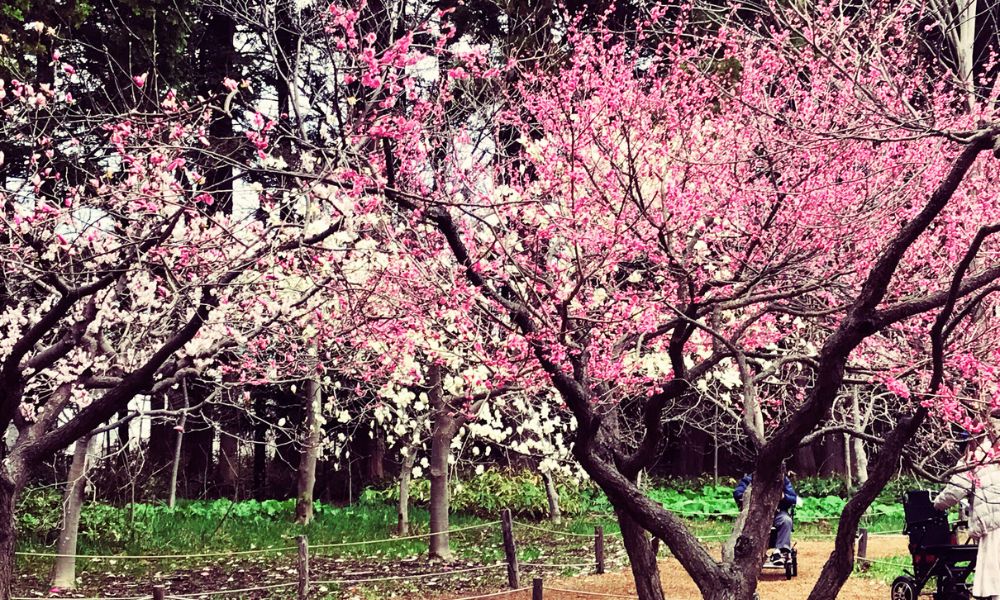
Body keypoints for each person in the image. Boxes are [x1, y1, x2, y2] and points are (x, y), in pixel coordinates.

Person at [933, 436, 1000, 600]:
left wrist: (936, 504)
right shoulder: (996, 451)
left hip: (993, 523)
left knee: (994, 576)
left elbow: (954, 491)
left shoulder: (974, 458)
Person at [733, 473, 797, 565]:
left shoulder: (783, 480)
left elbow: (793, 498)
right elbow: (737, 493)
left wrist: (783, 496)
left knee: (786, 520)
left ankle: (780, 552)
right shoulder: (749, 479)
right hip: (755, 515)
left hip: (777, 513)